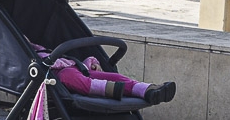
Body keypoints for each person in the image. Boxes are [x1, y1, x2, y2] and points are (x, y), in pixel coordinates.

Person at [31, 42, 176, 104]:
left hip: (80, 68)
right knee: (73, 78)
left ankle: (148, 91)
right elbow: (50, 64)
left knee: (114, 77)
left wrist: (92, 62)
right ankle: (111, 89)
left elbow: (72, 60)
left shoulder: (43, 49)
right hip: (56, 77)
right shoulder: (33, 56)